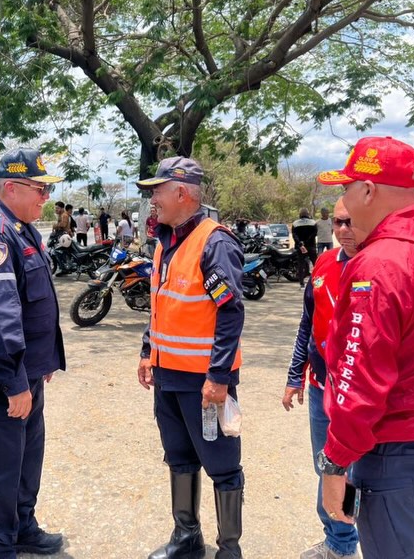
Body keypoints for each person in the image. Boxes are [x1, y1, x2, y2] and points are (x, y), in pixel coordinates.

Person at [316, 136, 414, 559]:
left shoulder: (381, 263)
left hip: (396, 446)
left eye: (347, 187)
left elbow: (358, 377)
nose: (344, 198)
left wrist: (334, 462)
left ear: (367, 191)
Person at [0, 148, 66, 559]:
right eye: (40, 189)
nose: (45, 197)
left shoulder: (22, 228)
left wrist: (40, 365)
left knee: (25, 465)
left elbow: (32, 305)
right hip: (0, 386)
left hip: (25, 377)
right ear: (11, 188)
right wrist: (15, 382)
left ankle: (22, 529)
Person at [136, 156, 245, 559]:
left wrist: (218, 377)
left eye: (157, 191)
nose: (152, 200)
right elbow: (161, 303)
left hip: (204, 383)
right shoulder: (168, 240)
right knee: (178, 456)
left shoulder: (214, 242)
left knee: (221, 464)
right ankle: (187, 537)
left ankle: (229, 549)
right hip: (168, 377)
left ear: (181, 193)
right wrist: (149, 350)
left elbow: (230, 313)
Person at [282, 198, 360, 559]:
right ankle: (338, 543)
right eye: (339, 222)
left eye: (351, 222)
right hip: (320, 388)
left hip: (360, 396)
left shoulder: (379, 266)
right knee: (326, 465)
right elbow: (307, 326)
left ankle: (347, 544)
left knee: (354, 472)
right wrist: (294, 376)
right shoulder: (325, 264)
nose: (344, 229)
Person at [292, 208, 318, 287]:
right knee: (316, 265)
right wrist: (306, 242)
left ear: (300, 214)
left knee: (301, 265)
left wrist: (300, 244)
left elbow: (294, 235)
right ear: (308, 214)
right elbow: (314, 234)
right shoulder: (313, 223)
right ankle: (317, 282)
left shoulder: (295, 223)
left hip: (300, 248)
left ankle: (301, 283)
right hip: (311, 246)